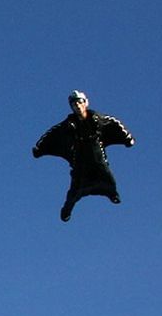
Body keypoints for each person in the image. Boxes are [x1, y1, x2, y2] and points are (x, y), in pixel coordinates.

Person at [33, 90, 136, 221]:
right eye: (74, 104)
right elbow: (52, 135)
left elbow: (115, 124)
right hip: (80, 161)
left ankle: (112, 193)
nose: (77, 106)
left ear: (85, 103)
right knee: (75, 188)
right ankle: (67, 210)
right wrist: (39, 149)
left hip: (97, 157)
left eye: (79, 102)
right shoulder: (67, 126)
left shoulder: (98, 119)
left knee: (106, 176)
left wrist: (128, 139)